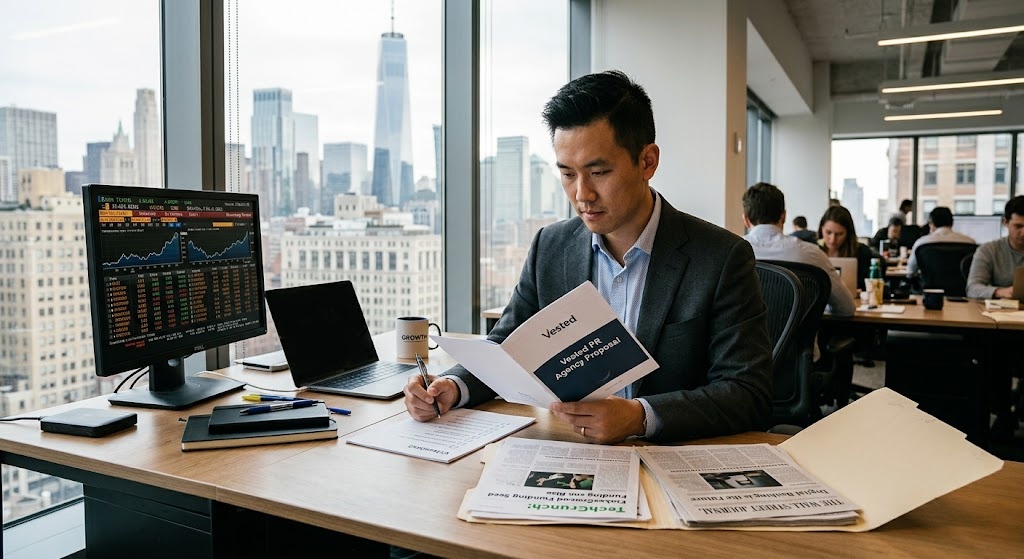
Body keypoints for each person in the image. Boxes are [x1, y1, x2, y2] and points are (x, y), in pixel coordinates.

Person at [403, 70, 772, 444]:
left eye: (598, 172)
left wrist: (639, 417)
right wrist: (451, 386)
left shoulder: (720, 258)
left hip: (671, 458)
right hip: (569, 449)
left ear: (647, 162)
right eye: (567, 174)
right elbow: (505, 349)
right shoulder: (550, 246)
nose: (582, 194)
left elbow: (746, 393)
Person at [742, 182, 854, 316]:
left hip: (744, 336)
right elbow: (846, 308)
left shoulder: (731, 253)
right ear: (784, 216)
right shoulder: (813, 255)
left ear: (746, 219)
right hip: (797, 337)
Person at [966, 195, 1024, 299]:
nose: (1023, 233)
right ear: (1005, 222)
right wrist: (1000, 292)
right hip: (997, 311)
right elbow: (973, 288)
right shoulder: (989, 250)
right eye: (1018, 226)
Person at [817, 205, 880, 289]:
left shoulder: (862, 252)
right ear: (821, 229)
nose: (832, 239)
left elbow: (867, 285)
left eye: (839, 234)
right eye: (828, 232)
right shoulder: (813, 250)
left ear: (848, 233)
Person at [905, 206, 976, 277]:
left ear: (931, 224)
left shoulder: (921, 243)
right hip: (961, 287)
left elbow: (911, 272)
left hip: (930, 287)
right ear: (952, 223)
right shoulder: (970, 242)